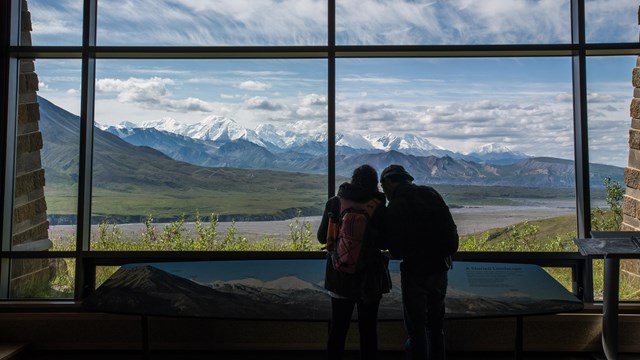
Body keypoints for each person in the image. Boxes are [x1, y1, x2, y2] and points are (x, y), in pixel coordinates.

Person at [379, 164, 458, 360]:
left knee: (416, 329)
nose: (384, 192)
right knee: (435, 326)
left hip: (415, 272)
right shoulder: (430, 193)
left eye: (383, 186)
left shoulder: (396, 205)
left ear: (389, 182)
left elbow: (396, 251)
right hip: (440, 268)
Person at [317, 164, 392, 360]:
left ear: (353, 179)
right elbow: (385, 242)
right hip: (369, 278)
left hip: (339, 274)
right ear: (375, 183)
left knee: (338, 329)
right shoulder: (378, 206)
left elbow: (321, 238)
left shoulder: (335, 202)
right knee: (368, 330)